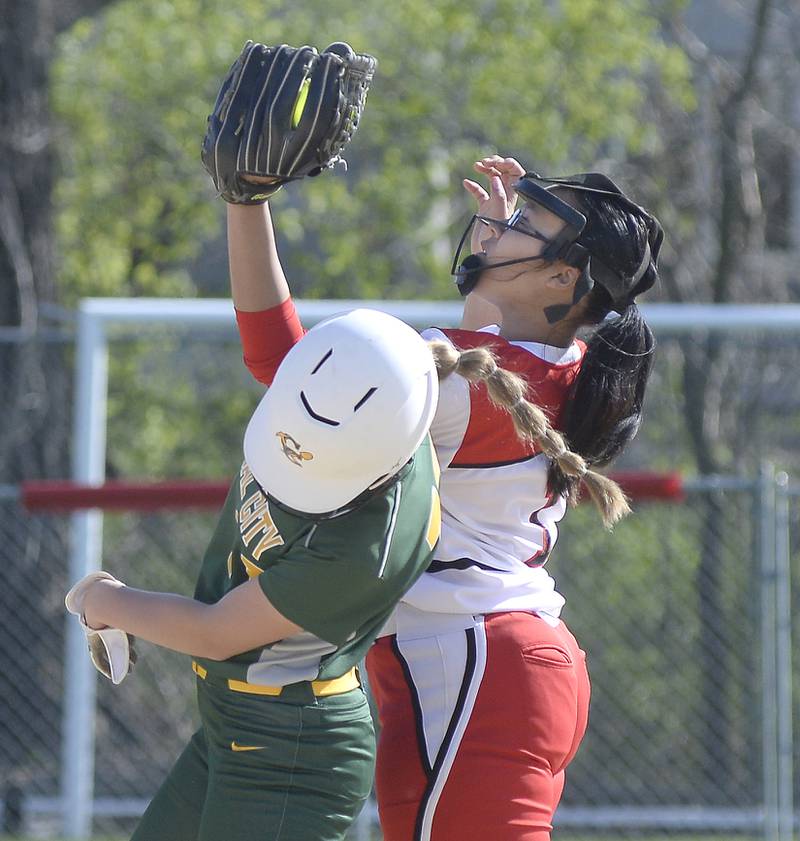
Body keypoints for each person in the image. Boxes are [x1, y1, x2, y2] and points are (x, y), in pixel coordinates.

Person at [228, 152, 663, 841]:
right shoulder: (567, 366)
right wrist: (499, 270)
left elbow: (286, 371)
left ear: (562, 277)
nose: (501, 225)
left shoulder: (466, 376)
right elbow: (485, 355)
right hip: (505, 658)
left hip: (471, 661)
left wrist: (244, 202)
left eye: (529, 223)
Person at [64, 306, 446, 841]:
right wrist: (246, 215)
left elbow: (215, 633)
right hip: (237, 723)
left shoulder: (366, 546)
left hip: (288, 751)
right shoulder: (355, 401)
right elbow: (269, 321)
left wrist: (103, 599)